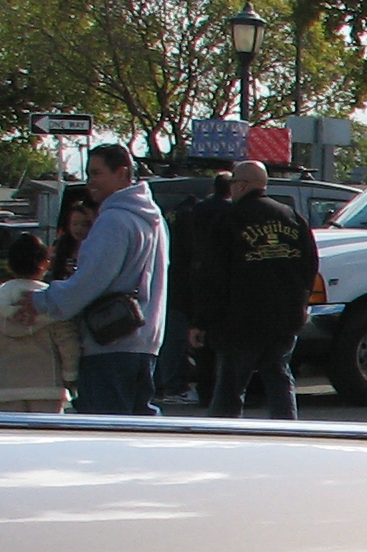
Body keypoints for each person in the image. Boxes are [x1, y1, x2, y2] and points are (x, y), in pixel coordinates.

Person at [17, 144, 168, 417]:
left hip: (110, 341)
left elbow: (90, 280)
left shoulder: (114, 220)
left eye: (97, 173)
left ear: (122, 173)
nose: (90, 181)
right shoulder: (153, 219)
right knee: (137, 432)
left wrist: (42, 301)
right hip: (146, 341)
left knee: (104, 433)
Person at [189, 160, 317, 420]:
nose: (232, 188)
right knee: (279, 378)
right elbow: (310, 266)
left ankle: (222, 439)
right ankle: (287, 434)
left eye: (234, 182)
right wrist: (301, 304)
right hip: (284, 317)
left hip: (241, 320)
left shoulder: (229, 218)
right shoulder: (291, 217)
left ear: (243, 185)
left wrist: (201, 320)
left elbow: (214, 274)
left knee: (230, 387)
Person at [0, 233, 79, 413]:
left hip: (5, 384)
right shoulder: (53, 303)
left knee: (10, 436)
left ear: (9, 264)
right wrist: (70, 374)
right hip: (48, 384)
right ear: (45, 263)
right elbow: (68, 343)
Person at [159, 175, 232, 405]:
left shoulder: (187, 211)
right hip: (201, 284)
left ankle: (177, 385)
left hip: (178, 281)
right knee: (202, 342)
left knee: (180, 338)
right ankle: (182, 387)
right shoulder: (228, 212)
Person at [50, 199, 96, 280]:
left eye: (84, 225)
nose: (78, 229)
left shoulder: (97, 245)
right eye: (74, 224)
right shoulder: (63, 244)